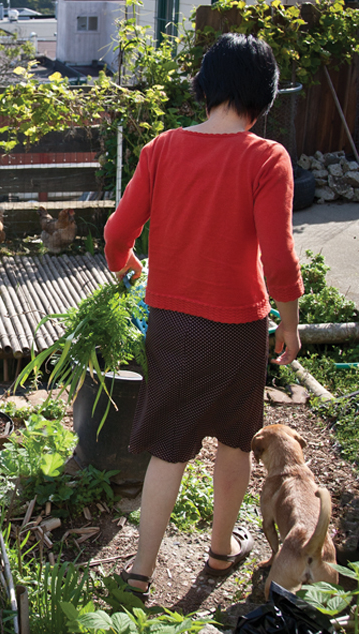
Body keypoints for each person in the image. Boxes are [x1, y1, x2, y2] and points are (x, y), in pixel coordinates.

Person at [103, 33, 304, 602]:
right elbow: (280, 252)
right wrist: (288, 322)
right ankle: (220, 551)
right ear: (263, 96)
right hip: (239, 328)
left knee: (170, 443)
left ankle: (141, 571)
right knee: (235, 440)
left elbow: (118, 232)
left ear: (205, 88)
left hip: (170, 323)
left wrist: (127, 268)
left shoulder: (162, 149)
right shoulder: (267, 158)